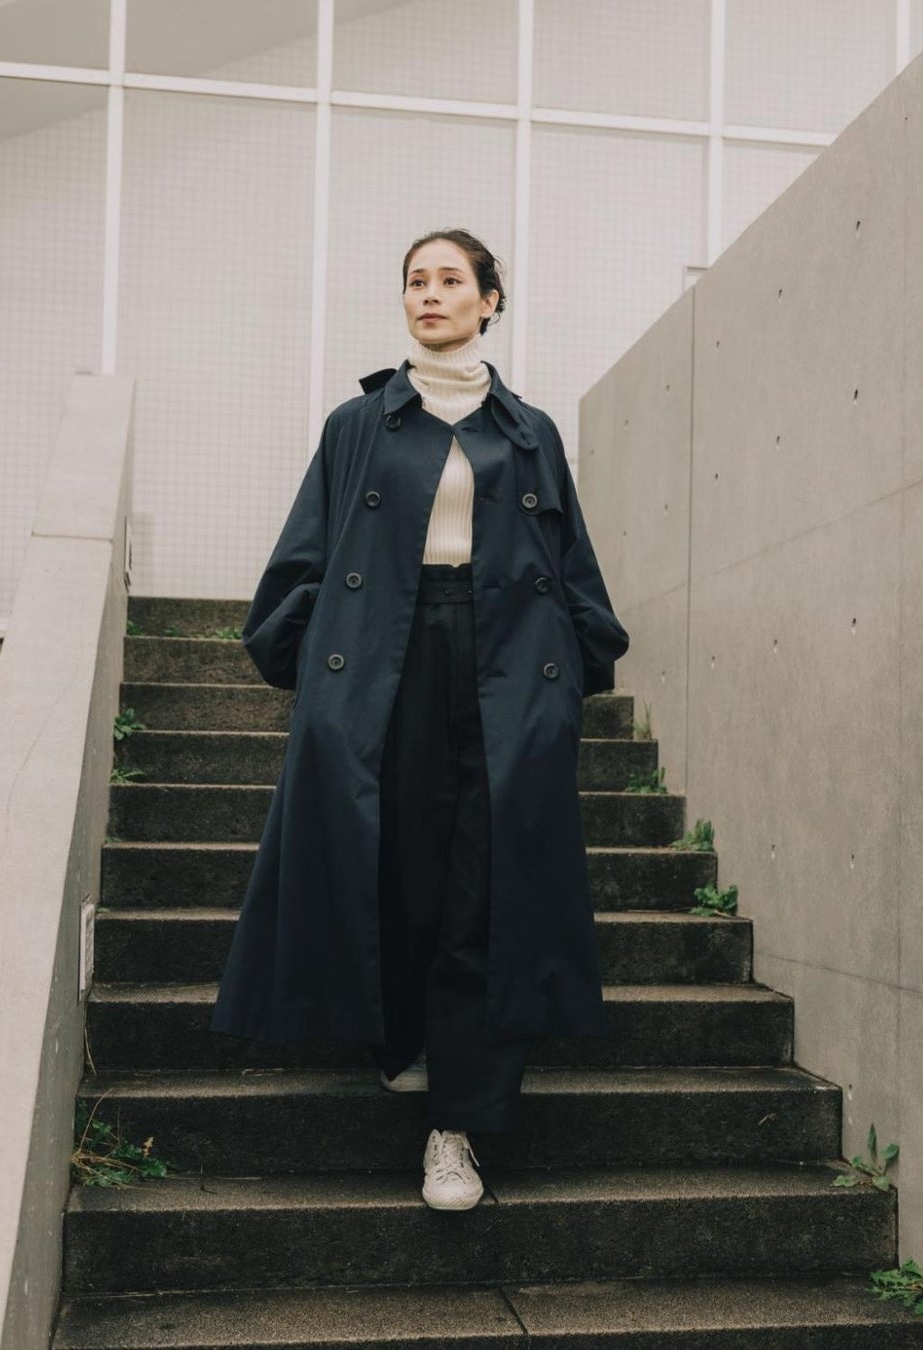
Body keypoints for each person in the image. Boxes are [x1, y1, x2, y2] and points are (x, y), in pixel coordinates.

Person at [209, 226, 629, 1214]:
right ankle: (402, 1035)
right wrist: (317, 674)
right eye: (415, 281)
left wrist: (567, 681)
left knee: (486, 884)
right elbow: (306, 555)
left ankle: (457, 1124)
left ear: (490, 301)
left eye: (450, 280)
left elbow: (571, 567)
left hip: (505, 666)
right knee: (391, 862)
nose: (429, 294)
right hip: (384, 661)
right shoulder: (359, 424)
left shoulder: (529, 433)